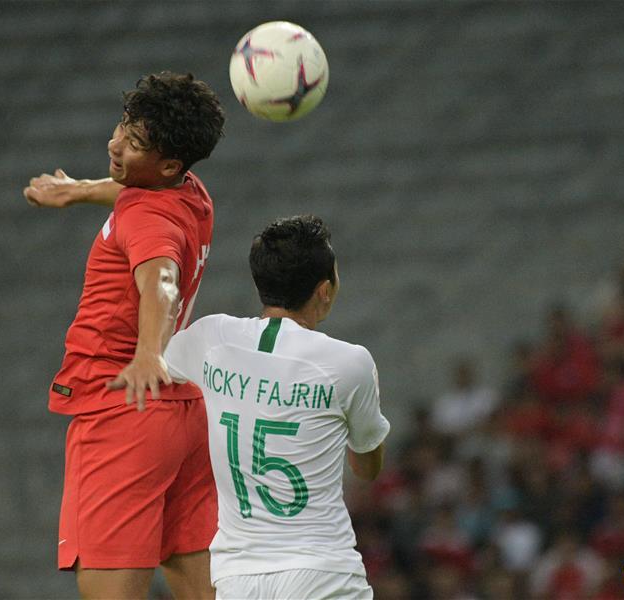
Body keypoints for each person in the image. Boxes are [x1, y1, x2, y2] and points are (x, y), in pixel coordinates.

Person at [23, 71, 225, 599]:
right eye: (123, 127)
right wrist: (80, 190)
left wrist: (147, 352)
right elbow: (130, 194)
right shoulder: (190, 194)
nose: (114, 143)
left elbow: (160, 278)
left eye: (134, 143)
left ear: (169, 164)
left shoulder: (149, 218)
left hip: (122, 407)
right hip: (181, 414)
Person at [120, 215, 389, 599]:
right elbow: (366, 466)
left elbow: (151, 360)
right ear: (325, 290)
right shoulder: (350, 362)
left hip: (238, 579)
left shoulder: (211, 338)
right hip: (322, 574)